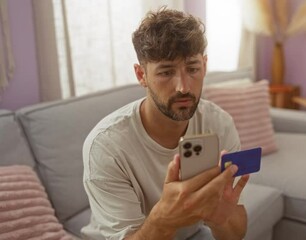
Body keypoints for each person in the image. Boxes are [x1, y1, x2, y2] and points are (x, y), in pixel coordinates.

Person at [81, 7, 249, 240]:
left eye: (192, 69)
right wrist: (164, 219)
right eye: (166, 72)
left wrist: (220, 219)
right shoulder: (106, 147)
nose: (183, 87)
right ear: (141, 75)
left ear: (205, 65)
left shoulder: (219, 124)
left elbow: (234, 234)